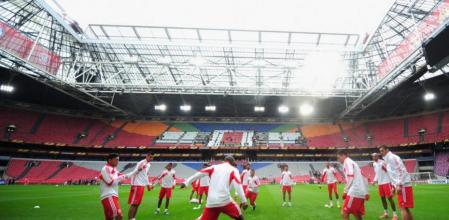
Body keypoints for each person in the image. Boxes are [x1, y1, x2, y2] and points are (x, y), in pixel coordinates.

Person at [181, 155, 248, 220]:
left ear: (224, 161)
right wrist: (244, 201)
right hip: (225, 201)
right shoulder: (234, 169)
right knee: (240, 217)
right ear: (232, 162)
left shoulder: (214, 167)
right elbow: (238, 184)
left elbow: (199, 173)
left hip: (211, 202)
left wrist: (186, 182)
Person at [99, 153, 141, 220]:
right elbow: (110, 182)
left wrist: (135, 171)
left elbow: (124, 177)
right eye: (116, 160)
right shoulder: (106, 168)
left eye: (118, 160)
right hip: (109, 195)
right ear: (109, 160)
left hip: (112, 195)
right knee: (119, 215)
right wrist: (121, 177)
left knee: (109, 218)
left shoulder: (114, 170)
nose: (118, 162)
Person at [379, 146, 414, 220]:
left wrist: (398, 185)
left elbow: (402, 171)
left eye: (382, 150)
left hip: (403, 185)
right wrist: (393, 187)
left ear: (387, 150)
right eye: (380, 151)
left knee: (403, 207)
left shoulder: (392, 158)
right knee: (405, 207)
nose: (381, 152)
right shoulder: (387, 160)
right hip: (401, 185)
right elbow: (393, 175)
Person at [337, 150, 369, 220]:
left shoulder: (347, 162)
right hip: (360, 192)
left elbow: (350, 176)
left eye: (339, 158)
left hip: (355, 191)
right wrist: (366, 192)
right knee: (357, 214)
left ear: (343, 155)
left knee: (344, 213)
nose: (338, 160)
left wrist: (345, 191)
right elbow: (364, 178)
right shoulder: (353, 163)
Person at [372, 153, 398, 220]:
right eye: (373, 157)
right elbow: (377, 174)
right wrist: (374, 181)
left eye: (375, 156)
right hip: (380, 184)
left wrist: (393, 183)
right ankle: (386, 213)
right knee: (382, 198)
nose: (374, 157)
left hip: (386, 182)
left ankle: (395, 215)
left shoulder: (383, 162)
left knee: (389, 198)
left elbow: (389, 171)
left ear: (378, 156)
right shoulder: (374, 164)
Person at [128, 153, 153, 220]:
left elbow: (145, 175)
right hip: (136, 185)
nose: (151, 158)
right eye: (150, 157)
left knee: (137, 204)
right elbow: (135, 172)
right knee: (134, 204)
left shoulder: (148, 164)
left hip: (141, 185)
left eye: (152, 157)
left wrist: (148, 185)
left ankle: (133, 218)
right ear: (147, 156)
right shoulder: (141, 163)